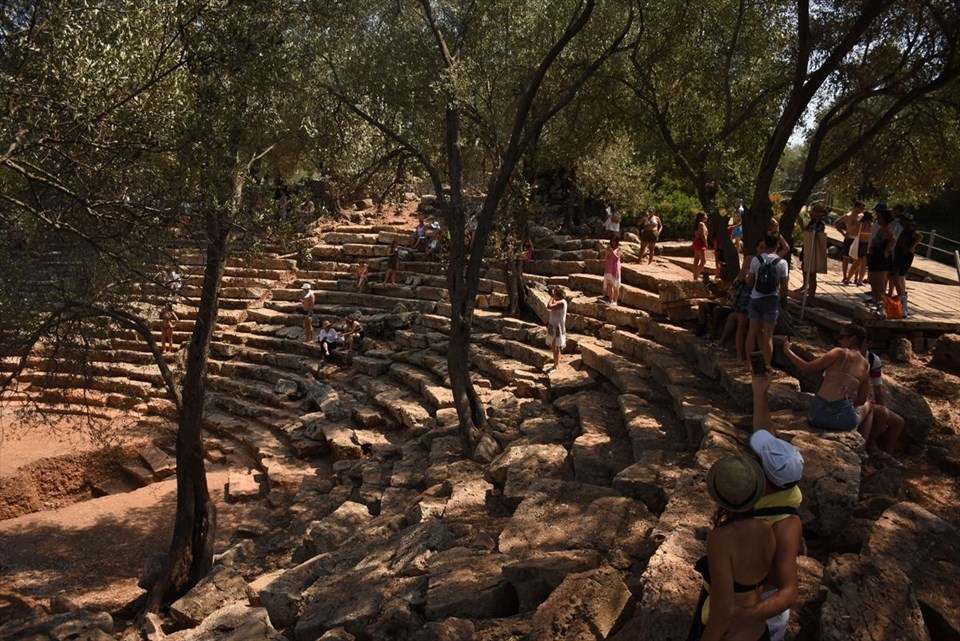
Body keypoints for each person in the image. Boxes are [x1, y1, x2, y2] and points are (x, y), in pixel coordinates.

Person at [732, 373, 805, 641]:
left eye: (757, 457)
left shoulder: (785, 524)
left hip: (762, 611)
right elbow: (766, 432)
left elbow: (789, 591)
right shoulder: (785, 486)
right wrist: (760, 392)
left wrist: (746, 616)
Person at [687, 454, 776, 641]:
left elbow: (724, 610)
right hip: (759, 631)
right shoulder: (767, 528)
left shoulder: (720, 539)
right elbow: (770, 580)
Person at [782, 324, 873, 433]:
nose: (839, 341)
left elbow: (807, 367)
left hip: (816, 415)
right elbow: (862, 400)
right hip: (842, 419)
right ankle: (864, 444)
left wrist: (787, 351)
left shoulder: (839, 352)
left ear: (852, 339)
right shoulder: (866, 365)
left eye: (842, 337)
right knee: (868, 406)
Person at [857, 346, 906, 469]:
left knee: (898, 422)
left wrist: (881, 407)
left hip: (866, 400)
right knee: (882, 413)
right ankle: (871, 446)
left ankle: (886, 456)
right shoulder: (843, 357)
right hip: (854, 400)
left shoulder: (872, 359)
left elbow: (878, 390)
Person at [745, 235, 789, 372]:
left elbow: (750, 282)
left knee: (752, 332)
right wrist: (778, 298)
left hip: (755, 298)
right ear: (777, 245)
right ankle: (767, 365)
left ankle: (749, 364)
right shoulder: (782, 263)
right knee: (767, 335)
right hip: (771, 300)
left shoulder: (756, 260)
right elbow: (785, 288)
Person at [890, 212, 921, 317]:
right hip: (900, 254)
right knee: (900, 277)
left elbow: (919, 237)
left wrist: (912, 247)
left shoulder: (911, 231)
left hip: (906, 255)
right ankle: (902, 299)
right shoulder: (903, 230)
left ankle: (902, 298)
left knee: (896, 278)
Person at [795, 204, 828, 305]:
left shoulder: (820, 224)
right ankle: (805, 287)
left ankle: (811, 299)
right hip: (808, 247)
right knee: (804, 268)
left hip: (814, 249)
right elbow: (806, 232)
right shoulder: (812, 222)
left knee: (812, 274)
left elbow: (814, 235)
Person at [866, 207, 896, 308]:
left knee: (879, 282)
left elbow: (893, 240)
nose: (877, 219)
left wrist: (886, 250)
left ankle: (881, 304)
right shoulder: (881, 229)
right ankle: (876, 300)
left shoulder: (887, 230)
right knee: (872, 280)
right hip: (874, 256)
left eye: (879, 217)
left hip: (880, 257)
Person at [835, 201, 864, 285]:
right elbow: (836, 223)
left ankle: (855, 278)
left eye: (863, 209)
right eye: (860, 208)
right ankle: (844, 276)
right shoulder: (848, 216)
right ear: (855, 207)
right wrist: (843, 233)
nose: (861, 210)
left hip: (857, 239)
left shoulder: (862, 216)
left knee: (856, 259)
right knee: (846, 258)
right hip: (849, 238)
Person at [545, 286, 567, 371]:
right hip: (555, 326)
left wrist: (551, 296)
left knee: (556, 346)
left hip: (557, 327)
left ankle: (556, 365)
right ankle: (556, 363)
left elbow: (549, 306)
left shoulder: (561, 303)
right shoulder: (560, 301)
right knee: (555, 346)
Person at [851, 210, 873, 286]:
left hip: (860, 243)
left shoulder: (860, 224)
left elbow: (853, 232)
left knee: (855, 263)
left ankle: (849, 278)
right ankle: (860, 280)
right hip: (867, 244)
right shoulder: (872, 225)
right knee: (864, 264)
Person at [603, 237, 622, 305]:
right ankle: (610, 300)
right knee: (609, 284)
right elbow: (605, 258)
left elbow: (617, 258)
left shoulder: (619, 249)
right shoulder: (608, 248)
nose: (613, 242)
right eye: (612, 240)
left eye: (614, 241)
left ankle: (615, 301)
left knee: (616, 285)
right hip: (609, 268)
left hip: (615, 268)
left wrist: (611, 252)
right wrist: (607, 252)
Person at [692, 212, 709, 281]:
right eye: (705, 216)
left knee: (696, 260)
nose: (707, 217)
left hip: (696, 241)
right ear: (702, 217)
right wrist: (706, 243)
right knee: (703, 261)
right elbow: (703, 235)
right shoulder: (701, 224)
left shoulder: (697, 224)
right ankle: (696, 275)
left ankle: (695, 277)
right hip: (700, 242)